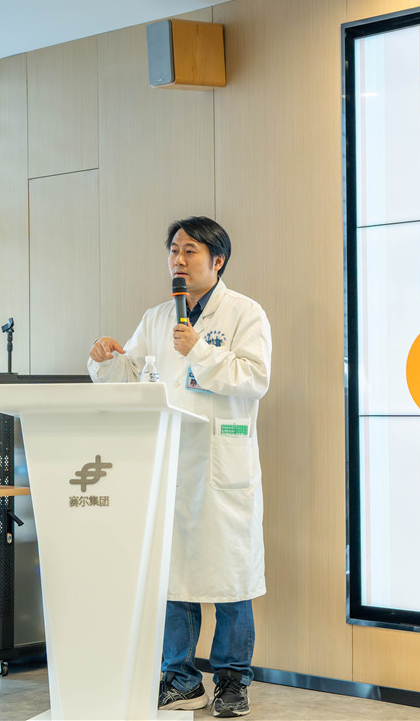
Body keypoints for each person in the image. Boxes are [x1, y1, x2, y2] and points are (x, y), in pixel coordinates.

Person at [87, 216, 271, 718]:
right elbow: (133, 376)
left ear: (218, 260)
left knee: (231, 582)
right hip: (169, 465)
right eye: (174, 250)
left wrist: (200, 351)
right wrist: (106, 359)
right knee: (173, 580)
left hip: (220, 467)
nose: (178, 260)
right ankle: (181, 679)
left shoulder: (245, 313)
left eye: (190, 251)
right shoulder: (156, 318)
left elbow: (255, 379)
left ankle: (232, 681)